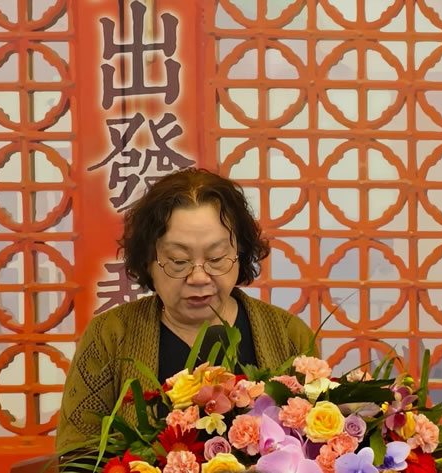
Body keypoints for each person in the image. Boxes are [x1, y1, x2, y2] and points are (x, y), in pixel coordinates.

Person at [55, 168, 316, 451]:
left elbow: (315, 449)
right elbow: (77, 456)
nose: (199, 277)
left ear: (240, 254)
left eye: (216, 258)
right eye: (178, 261)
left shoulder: (289, 335)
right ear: (148, 261)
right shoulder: (109, 335)